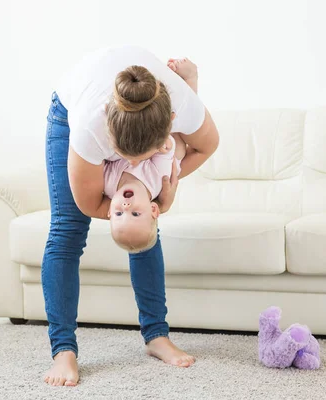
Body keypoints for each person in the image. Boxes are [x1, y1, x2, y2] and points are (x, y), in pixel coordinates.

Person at [42, 46, 220, 386]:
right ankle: (63, 351)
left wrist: (164, 192)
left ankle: (156, 335)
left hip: (150, 111)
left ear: (169, 126)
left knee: (143, 227)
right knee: (67, 230)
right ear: (110, 139)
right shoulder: (89, 130)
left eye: (145, 157)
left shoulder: (183, 108)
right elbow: (87, 204)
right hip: (74, 108)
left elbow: (206, 146)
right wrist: (134, 209)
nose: (135, 167)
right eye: (128, 157)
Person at [104, 133, 186, 253]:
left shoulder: (107, 183)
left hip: (129, 138)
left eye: (119, 213)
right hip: (155, 141)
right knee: (179, 150)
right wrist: (163, 144)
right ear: (153, 209)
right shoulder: (157, 179)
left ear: (109, 211)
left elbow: (97, 159)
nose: (126, 207)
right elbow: (167, 150)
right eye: (135, 214)